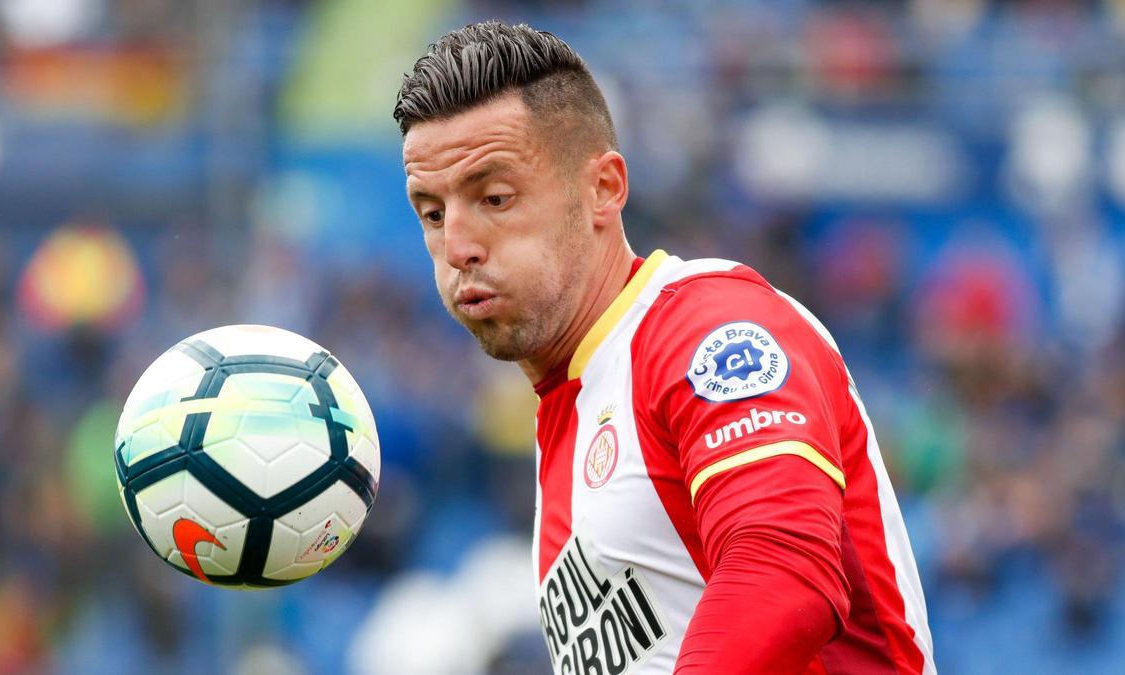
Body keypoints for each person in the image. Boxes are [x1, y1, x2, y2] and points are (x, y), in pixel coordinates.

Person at [393, 20, 935, 674]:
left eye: (495, 197)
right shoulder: (568, 413)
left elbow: (783, 568)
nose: (457, 247)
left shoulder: (707, 326)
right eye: (431, 212)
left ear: (603, 189)